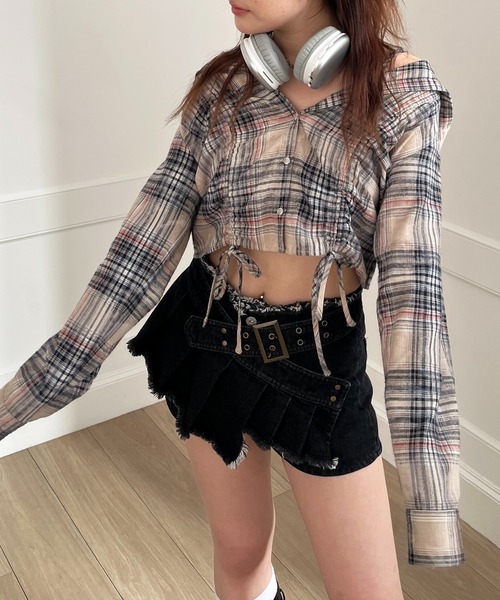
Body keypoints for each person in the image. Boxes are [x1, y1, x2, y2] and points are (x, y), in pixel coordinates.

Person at [0, 1, 464, 598]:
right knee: (241, 551)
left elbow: (413, 299)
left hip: (318, 370)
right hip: (210, 338)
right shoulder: (223, 90)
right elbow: (140, 253)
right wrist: (25, 398)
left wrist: (431, 496)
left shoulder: (401, 93)